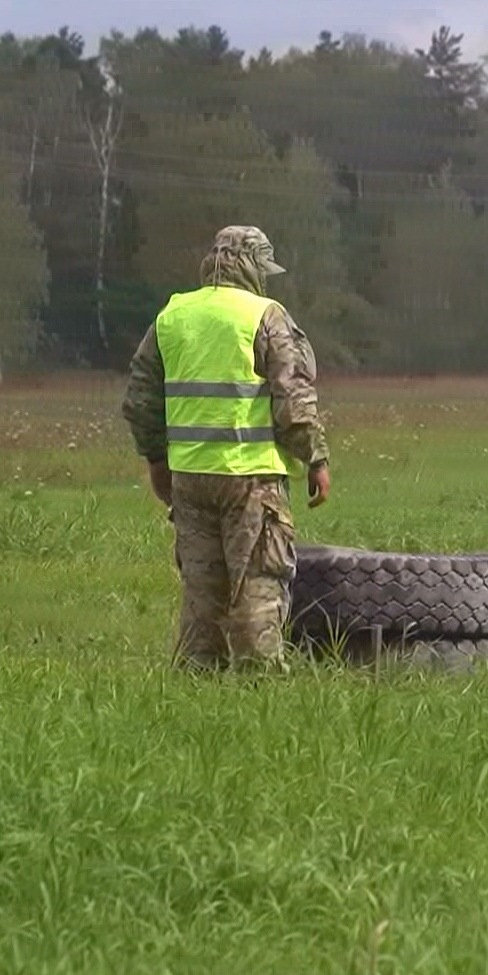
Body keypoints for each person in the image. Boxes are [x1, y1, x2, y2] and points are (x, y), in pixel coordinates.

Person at [120, 225, 331, 673]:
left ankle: (198, 693)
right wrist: (316, 458)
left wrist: (158, 462)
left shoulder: (173, 316)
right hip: (250, 481)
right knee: (257, 590)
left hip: (190, 482)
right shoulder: (264, 315)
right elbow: (292, 398)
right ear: (253, 267)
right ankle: (260, 699)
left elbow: (140, 402)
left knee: (203, 596)